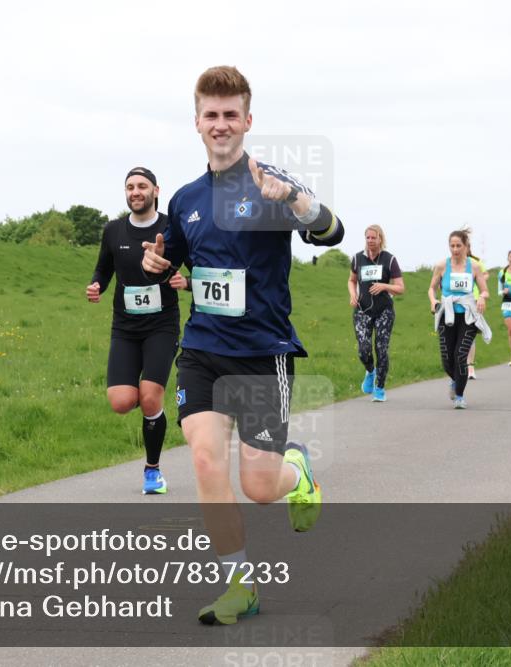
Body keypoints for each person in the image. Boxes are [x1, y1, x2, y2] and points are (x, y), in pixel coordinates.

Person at [141, 66, 345, 625]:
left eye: (232, 115)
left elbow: (332, 232)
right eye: (212, 115)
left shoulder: (269, 182)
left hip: (262, 353)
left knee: (258, 486)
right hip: (203, 348)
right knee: (206, 460)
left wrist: (299, 205)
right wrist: (156, 263)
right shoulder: (185, 198)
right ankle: (241, 586)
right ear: (198, 123)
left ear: (248, 121)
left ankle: (297, 472)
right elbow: (173, 257)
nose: (222, 124)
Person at [87, 167, 182, 495]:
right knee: (122, 401)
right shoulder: (113, 230)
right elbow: (104, 266)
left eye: (142, 186)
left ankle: (152, 471)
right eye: (130, 186)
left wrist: (183, 279)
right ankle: (154, 412)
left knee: (150, 394)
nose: (135, 191)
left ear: (156, 190)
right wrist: (97, 284)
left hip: (162, 324)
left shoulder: (171, 226)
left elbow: (191, 261)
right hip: (125, 327)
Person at [427, 229, 491, 409]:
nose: (455, 250)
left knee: (460, 355)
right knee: (447, 358)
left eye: (458, 246)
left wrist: (481, 298)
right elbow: (431, 288)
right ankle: (456, 381)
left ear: (465, 246)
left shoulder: (474, 266)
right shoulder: (441, 266)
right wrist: (433, 301)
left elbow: (485, 290)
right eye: (452, 246)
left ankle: (460, 396)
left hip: (468, 315)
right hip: (447, 315)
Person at [348, 225, 404, 402]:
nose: (370, 241)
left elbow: (400, 288)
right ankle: (370, 371)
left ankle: (379, 388)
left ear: (380, 239)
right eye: (368, 238)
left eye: (374, 238)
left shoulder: (389, 260)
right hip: (362, 310)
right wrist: (353, 294)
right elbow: (351, 280)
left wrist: (385, 286)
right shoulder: (357, 259)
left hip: (384, 311)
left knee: (381, 349)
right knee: (363, 350)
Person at [466, 257, 490, 378]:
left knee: (471, 334)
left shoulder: (475, 262)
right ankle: (459, 366)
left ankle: (470, 368)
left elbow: (485, 275)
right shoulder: (450, 262)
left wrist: (477, 278)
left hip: (474, 299)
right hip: (455, 302)